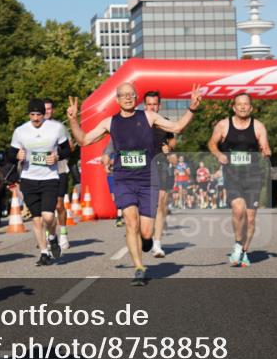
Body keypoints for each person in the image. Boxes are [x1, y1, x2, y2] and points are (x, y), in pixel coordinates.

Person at [68, 82, 203, 285]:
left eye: (131, 94)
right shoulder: (109, 122)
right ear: (117, 100)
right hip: (124, 180)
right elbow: (84, 140)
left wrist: (192, 108)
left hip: (148, 180)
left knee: (146, 232)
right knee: (131, 222)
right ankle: (139, 268)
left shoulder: (148, 117)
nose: (128, 97)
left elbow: (177, 127)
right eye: (123, 95)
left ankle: (147, 241)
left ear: (136, 97)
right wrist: (73, 121)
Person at [208, 93, 271, 268]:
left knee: (250, 218)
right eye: (239, 104)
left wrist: (266, 151)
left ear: (250, 107)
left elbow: (264, 145)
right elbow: (212, 144)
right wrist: (219, 154)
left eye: (246, 104)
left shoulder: (258, 126)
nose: (243, 107)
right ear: (234, 107)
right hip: (232, 175)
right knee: (238, 209)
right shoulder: (223, 125)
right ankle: (237, 245)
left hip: (253, 176)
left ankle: (244, 252)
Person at [11, 99, 71, 266]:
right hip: (29, 179)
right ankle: (44, 253)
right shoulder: (20, 131)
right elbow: (11, 154)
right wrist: (17, 156)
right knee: (37, 219)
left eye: (38, 114)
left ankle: (52, 236)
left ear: (44, 114)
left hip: (49, 178)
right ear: (28, 114)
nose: (36, 118)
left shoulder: (56, 128)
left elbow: (67, 149)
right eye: (32, 114)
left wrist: (57, 156)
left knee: (48, 215)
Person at [142, 91, 175, 257]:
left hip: (161, 166)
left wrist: (168, 149)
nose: (152, 107)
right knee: (144, 206)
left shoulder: (166, 123)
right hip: (141, 169)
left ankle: (157, 243)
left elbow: (172, 143)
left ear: (159, 106)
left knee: (160, 205)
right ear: (144, 105)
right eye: (149, 104)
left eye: (155, 104)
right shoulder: (139, 123)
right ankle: (145, 234)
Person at [44, 99, 73, 250]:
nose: (47, 111)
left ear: (52, 110)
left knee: (59, 204)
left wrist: (58, 153)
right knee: (46, 208)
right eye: (44, 109)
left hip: (60, 169)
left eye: (49, 109)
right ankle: (50, 235)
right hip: (41, 172)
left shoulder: (59, 127)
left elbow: (70, 147)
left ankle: (63, 234)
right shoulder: (32, 129)